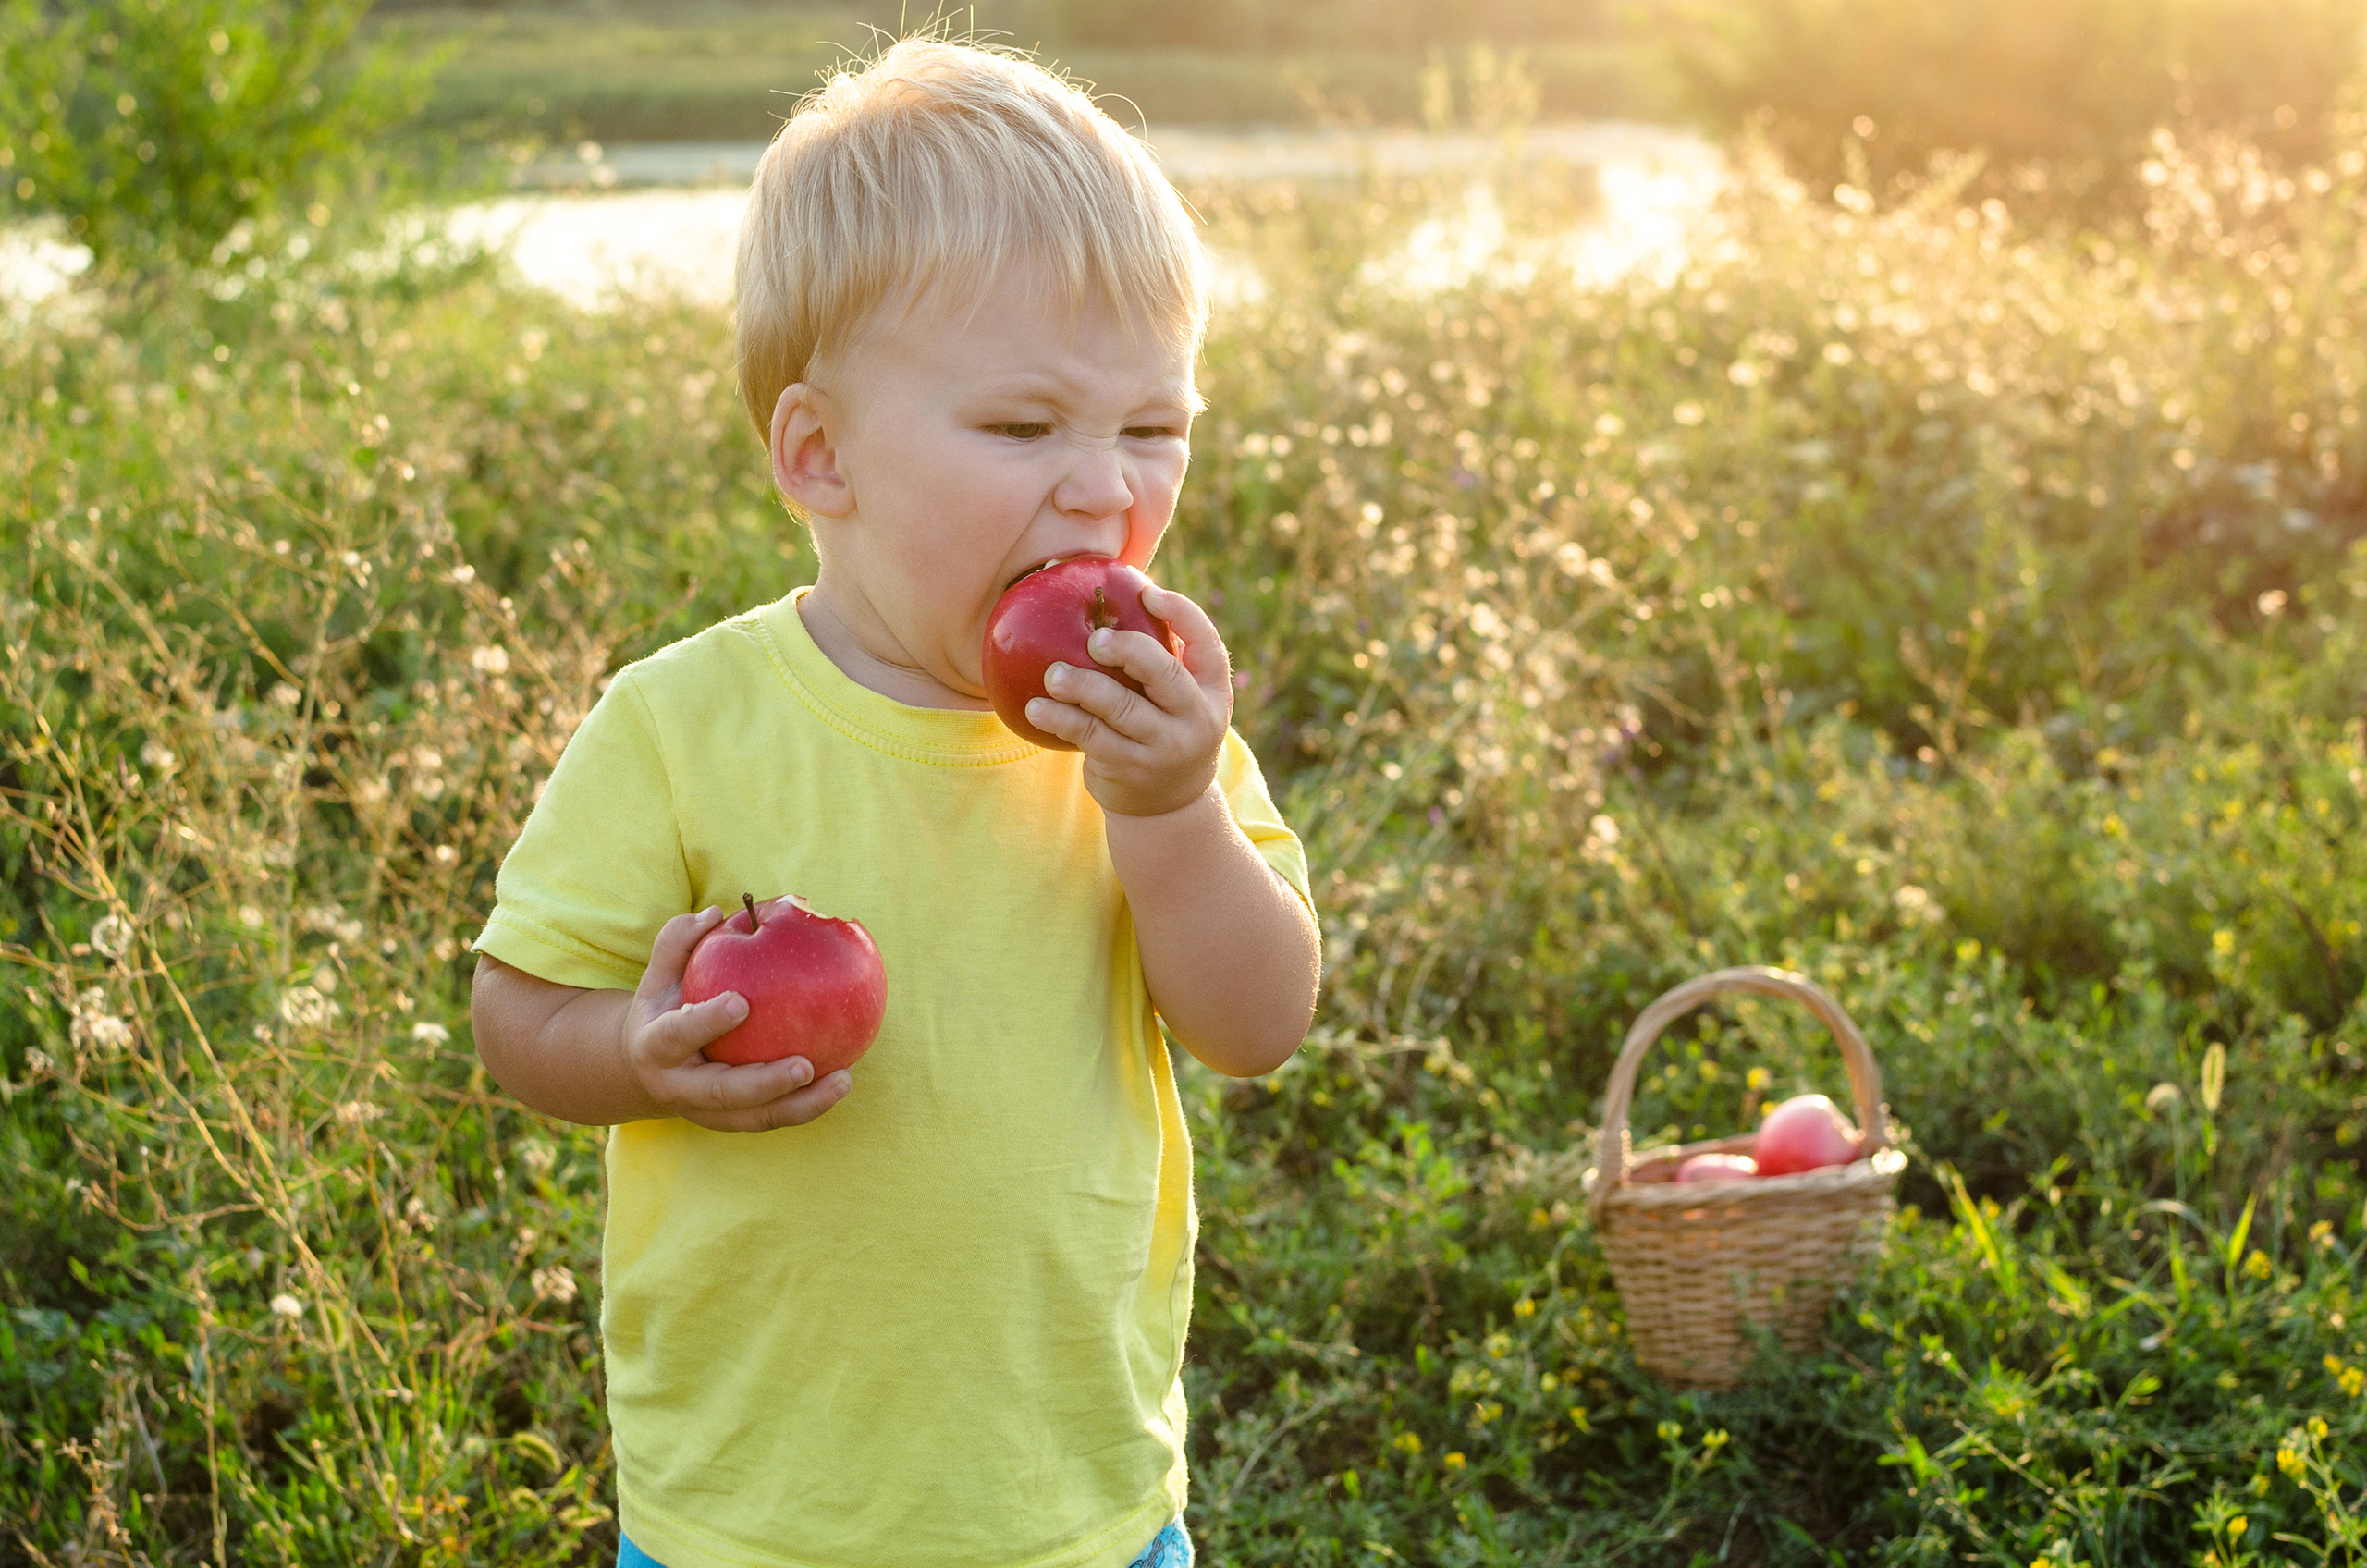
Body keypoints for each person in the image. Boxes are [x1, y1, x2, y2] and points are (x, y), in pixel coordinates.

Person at [468, 36, 1322, 1568]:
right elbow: (517, 1016)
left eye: (1154, 427)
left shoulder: (1150, 730)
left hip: (1071, 1507)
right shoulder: (681, 726)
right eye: (1022, 426)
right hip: (750, 1513)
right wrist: (641, 1055)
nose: (1102, 491)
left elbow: (1256, 1024)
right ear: (819, 454)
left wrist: (1173, 810)